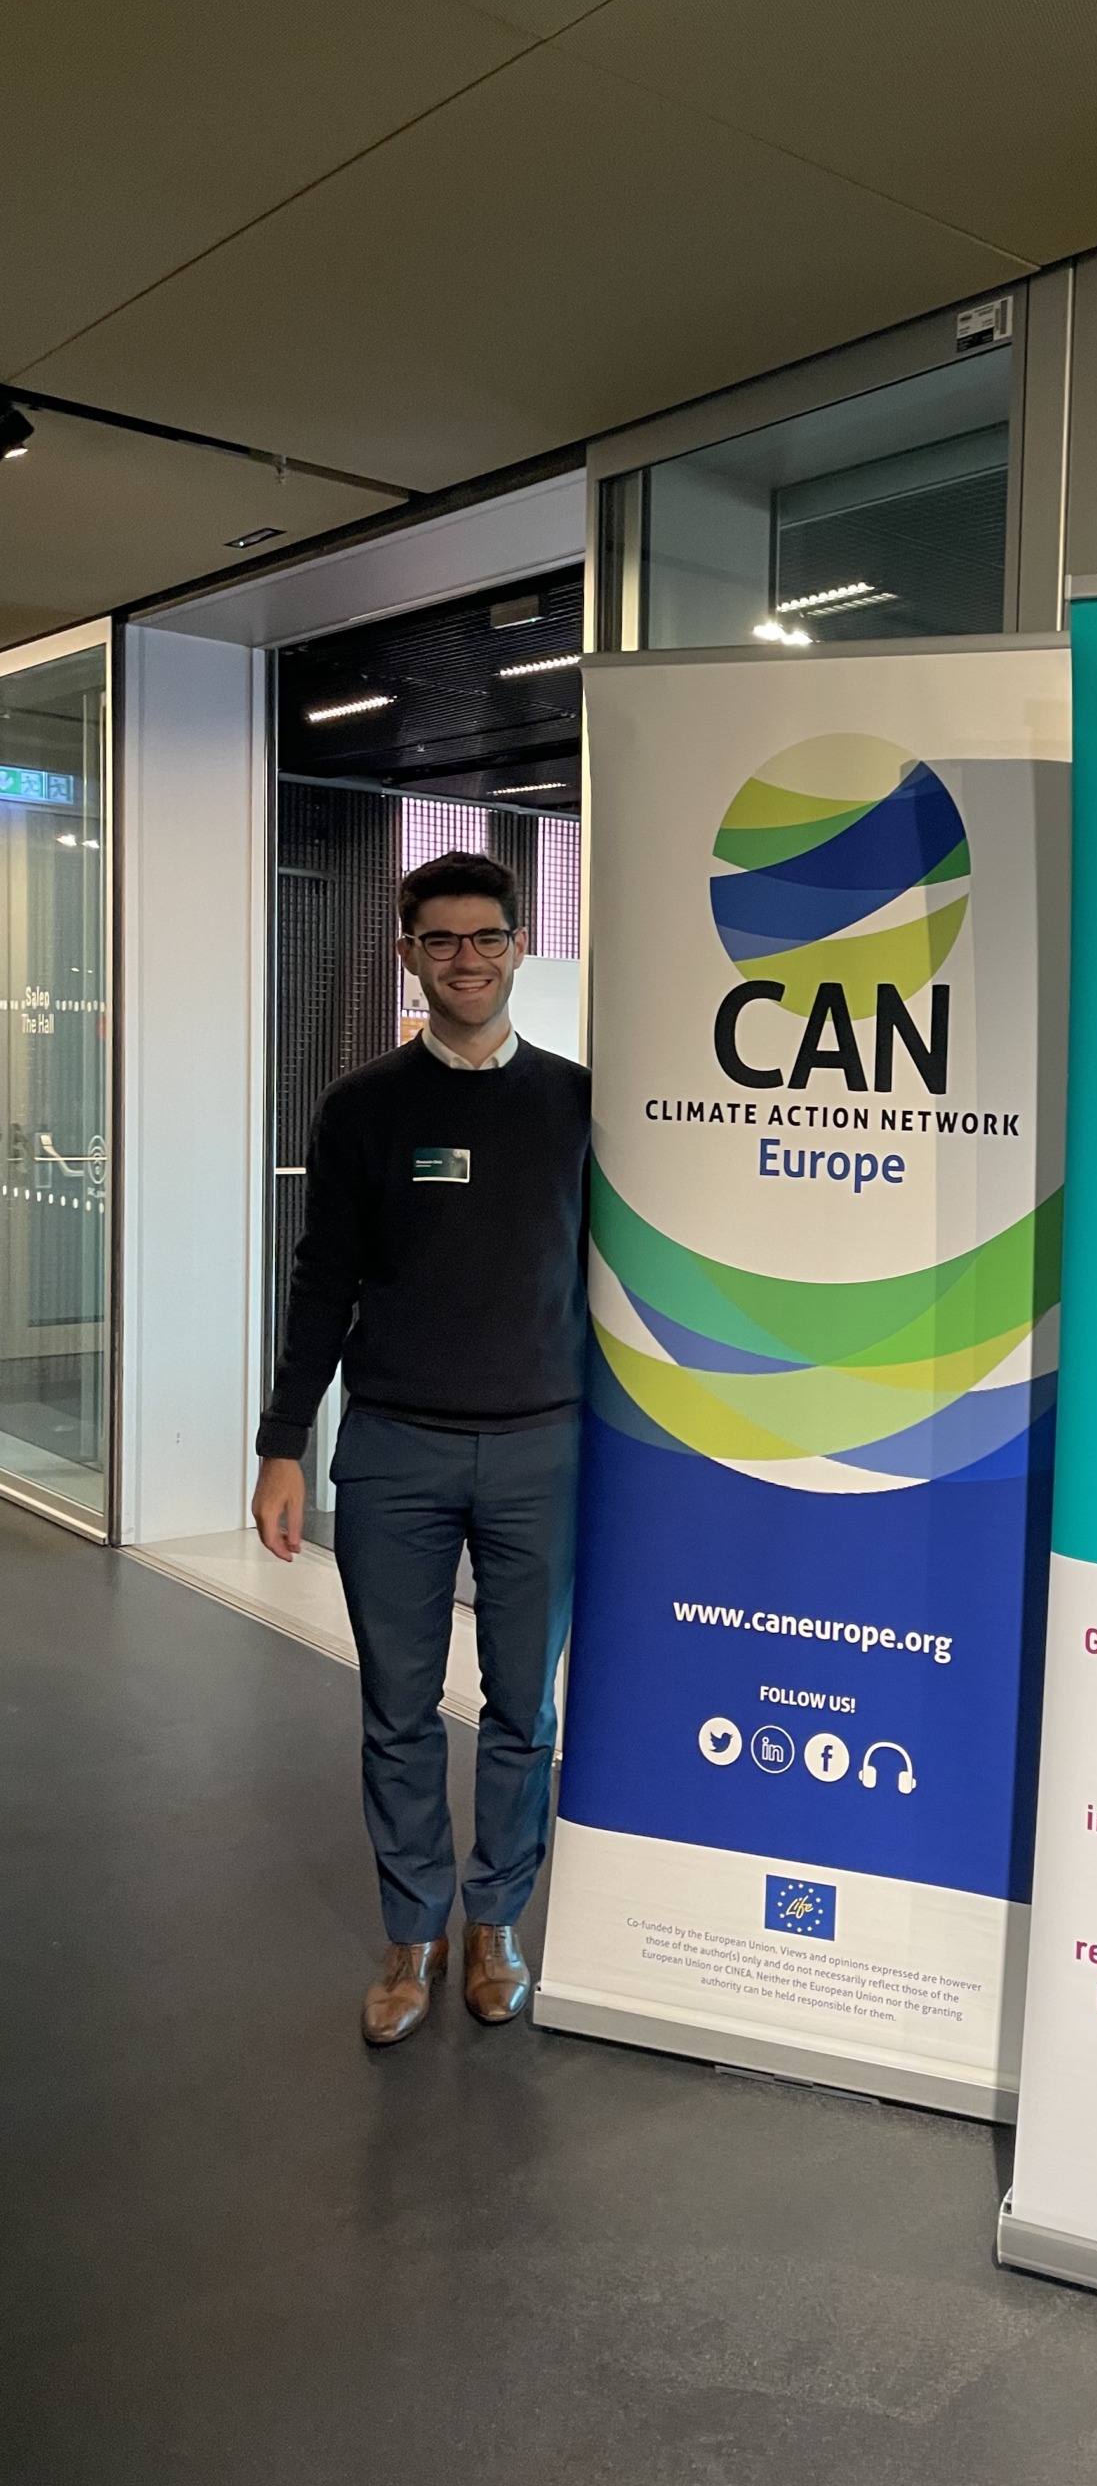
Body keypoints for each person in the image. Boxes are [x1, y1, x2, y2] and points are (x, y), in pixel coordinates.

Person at [252, 850, 590, 2047]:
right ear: (407, 953)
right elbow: (322, 1284)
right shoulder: (362, 1108)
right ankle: (414, 1935)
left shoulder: (579, 1104)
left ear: (518, 947)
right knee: (397, 1707)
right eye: (439, 939)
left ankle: (495, 1925)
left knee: (522, 1710)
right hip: (394, 1449)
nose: (465, 959)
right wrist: (282, 1443)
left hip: (545, 1449)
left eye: (486, 937)